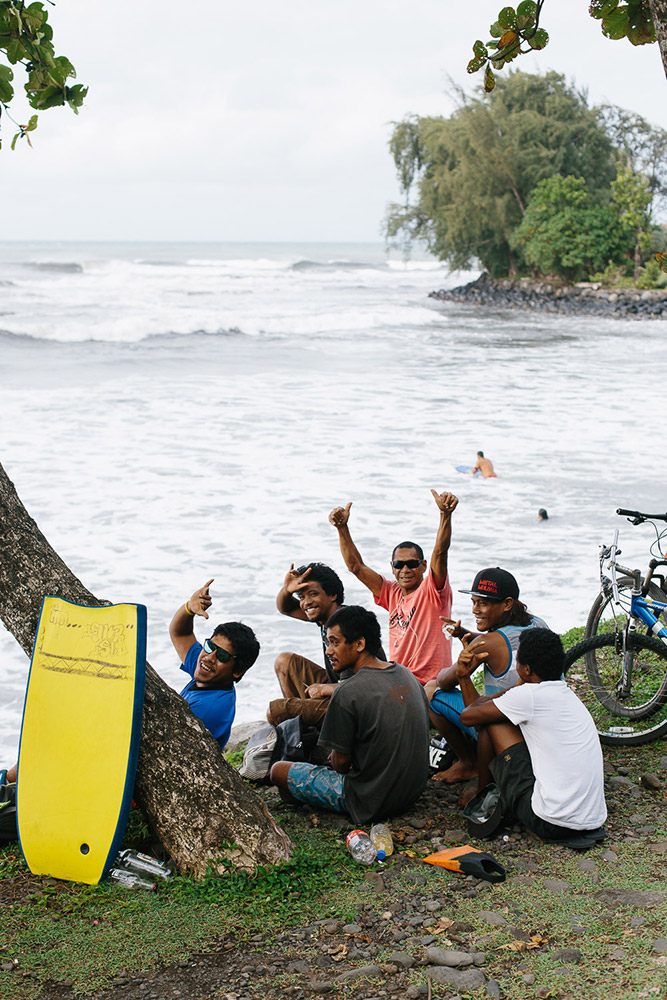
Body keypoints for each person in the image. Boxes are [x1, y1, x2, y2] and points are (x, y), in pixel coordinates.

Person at [269, 605, 430, 824]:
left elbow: (341, 765)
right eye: (327, 643)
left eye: (335, 643)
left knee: (278, 770)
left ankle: (303, 807)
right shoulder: (406, 674)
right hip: (412, 792)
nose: (328, 651)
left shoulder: (348, 692)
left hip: (370, 799)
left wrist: (338, 757)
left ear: (360, 644)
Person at [459, 628, 607, 842]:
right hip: (592, 819)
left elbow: (469, 716)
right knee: (501, 717)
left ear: (526, 669)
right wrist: (519, 686)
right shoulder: (566, 694)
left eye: (517, 662)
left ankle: (484, 798)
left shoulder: (528, 696)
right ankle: (489, 793)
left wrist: (463, 676)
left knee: (492, 723)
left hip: (550, 822)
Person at [427, 567, 547, 786]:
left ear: (507, 604)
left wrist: (470, 646)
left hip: (508, 734)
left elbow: (445, 680)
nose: (475, 610)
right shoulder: (537, 624)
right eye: (473, 602)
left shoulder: (488, 644)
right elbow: (506, 642)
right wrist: (466, 635)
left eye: (483, 603)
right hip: (540, 727)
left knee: (434, 693)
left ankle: (468, 763)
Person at [328, 490, 458, 685]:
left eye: (412, 564)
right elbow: (356, 567)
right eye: (399, 565)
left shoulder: (433, 591)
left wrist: (445, 515)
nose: (405, 569)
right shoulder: (392, 593)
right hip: (397, 680)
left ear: (423, 565)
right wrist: (342, 528)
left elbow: (440, 552)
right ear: (392, 567)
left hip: (429, 684)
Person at [169, 579, 260, 749]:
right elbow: (180, 633)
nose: (210, 657)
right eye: (210, 646)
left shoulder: (207, 708)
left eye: (223, 656)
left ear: (238, 671)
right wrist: (189, 608)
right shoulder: (209, 675)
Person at [268, 561, 346, 728]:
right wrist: (287, 590)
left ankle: (300, 733)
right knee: (284, 661)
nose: (306, 603)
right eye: (302, 597)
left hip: (352, 701)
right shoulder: (326, 619)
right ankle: (301, 728)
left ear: (333, 595)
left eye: (313, 594)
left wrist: (325, 689)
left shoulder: (347, 624)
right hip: (338, 686)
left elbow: (367, 683)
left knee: (276, 711)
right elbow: (286, 608)